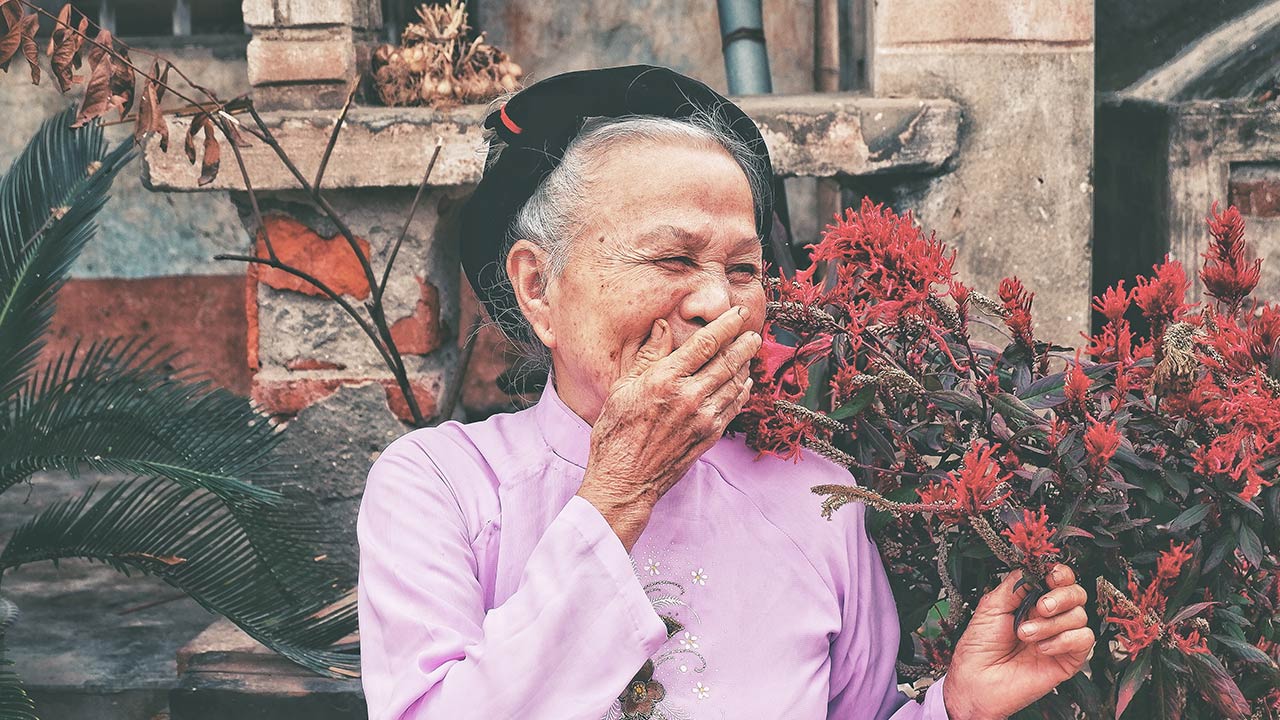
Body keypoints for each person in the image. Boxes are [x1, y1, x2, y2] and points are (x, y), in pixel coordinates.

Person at [357, 65, 1094, 720]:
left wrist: (957, 709)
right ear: (537, 287)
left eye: (744, 270)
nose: (718, 303)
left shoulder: (818, 502)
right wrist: (619, 494)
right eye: (673, 256)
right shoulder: (440, 487)